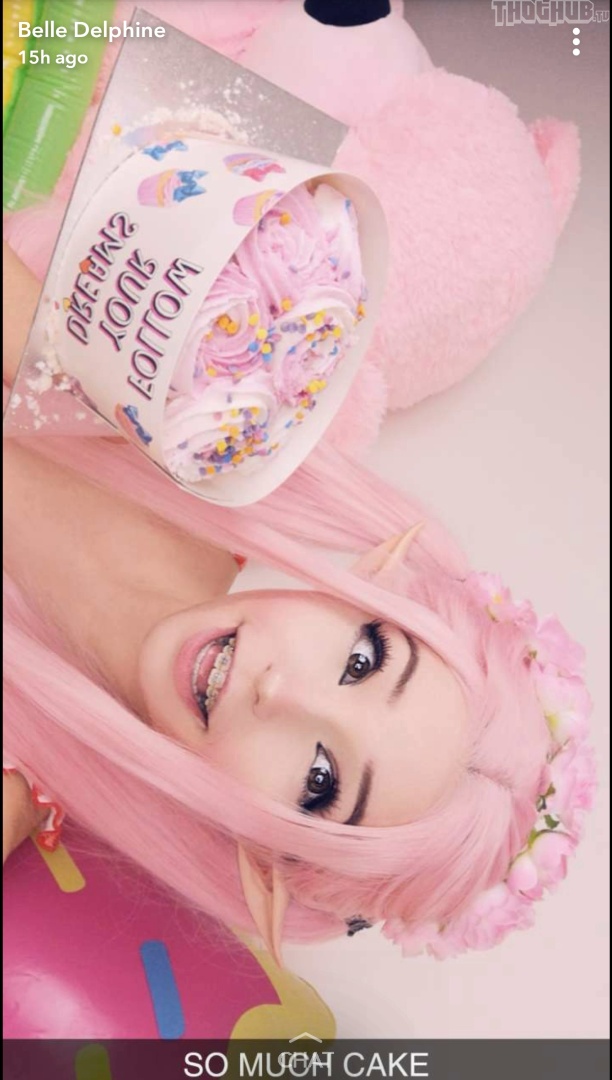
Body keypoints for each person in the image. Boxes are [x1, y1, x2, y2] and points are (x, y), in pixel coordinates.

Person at [3, 231, 595, 965]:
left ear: (267, 861)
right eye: (362, 661)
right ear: (370, 592)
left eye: (319, 782)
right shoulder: (189, 415)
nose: (279, 692)